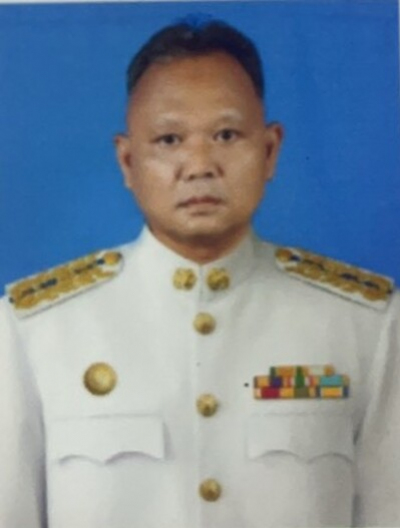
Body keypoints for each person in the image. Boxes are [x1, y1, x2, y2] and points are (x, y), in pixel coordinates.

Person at [1, 18, 399, 528]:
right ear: (127, 161)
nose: (199, 165)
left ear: (270, 150)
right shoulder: (34, 332)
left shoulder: (365, 326)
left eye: (226, 135)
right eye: (169, 139)